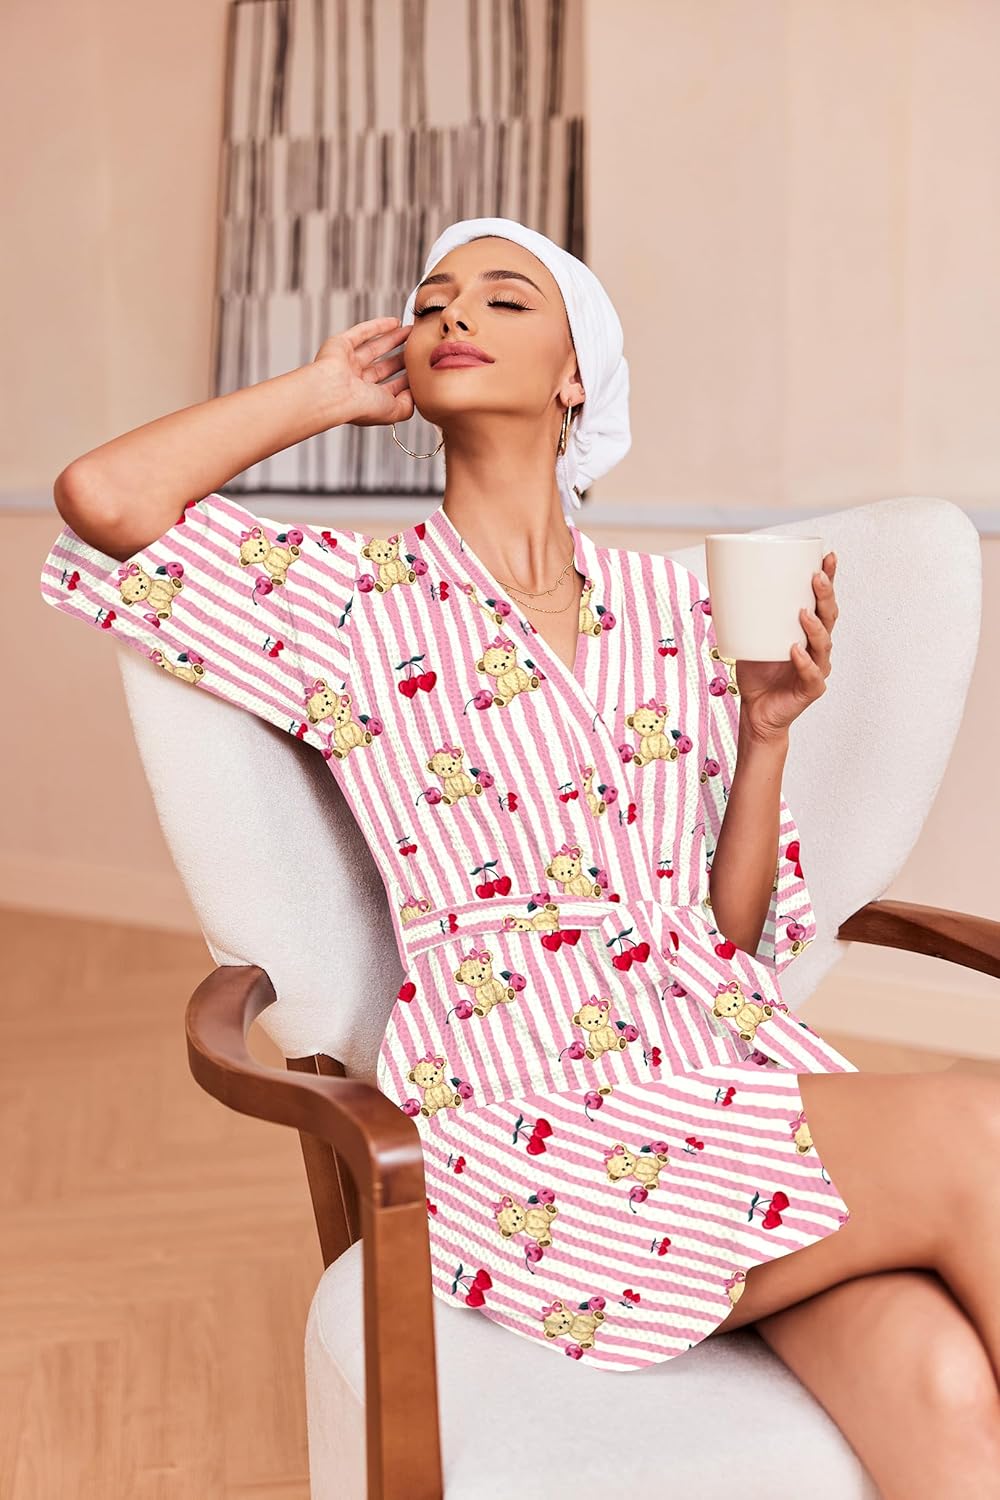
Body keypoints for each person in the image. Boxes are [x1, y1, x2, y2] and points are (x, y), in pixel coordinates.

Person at [41, 218, 1000, 1483]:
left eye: (504, 298)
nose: (454, 314)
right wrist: (327, 391)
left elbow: (725, 940)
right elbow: (106, 499)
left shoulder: (679, 607)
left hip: (721, 1067)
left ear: (576, 377)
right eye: (433, 299)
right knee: (980, 1127)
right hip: (529, 1104)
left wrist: (764, 730)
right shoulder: (348, 603)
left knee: (939, 1383)